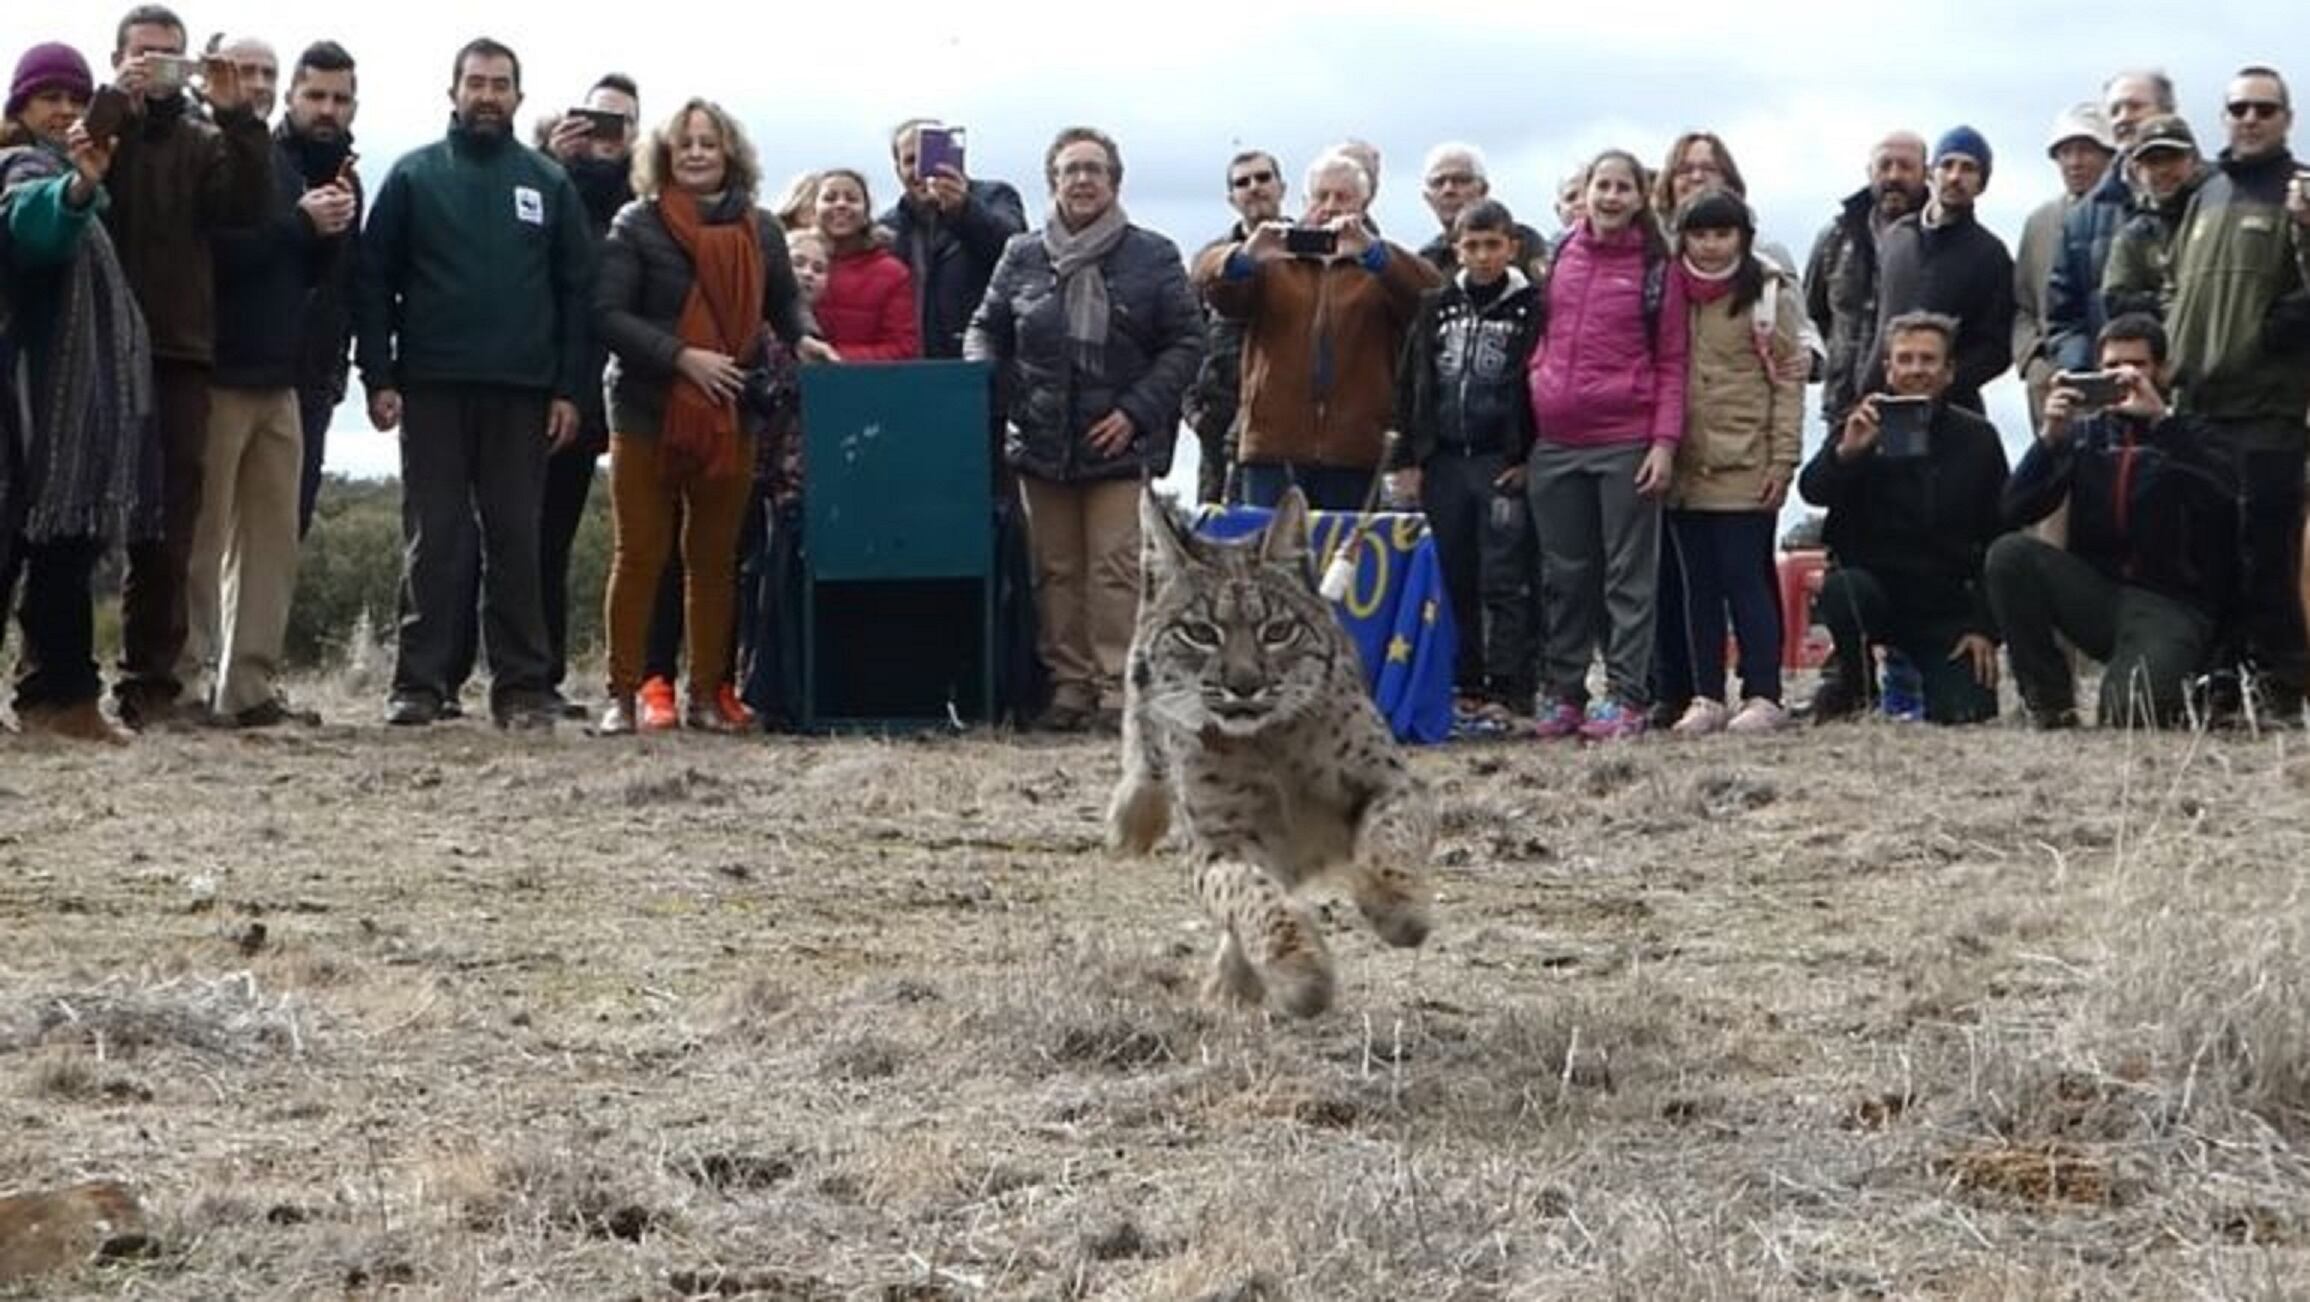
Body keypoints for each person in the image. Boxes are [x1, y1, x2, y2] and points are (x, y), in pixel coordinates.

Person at [353, 36, 594, 729]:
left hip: (524, 392)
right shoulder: (413, 176)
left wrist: (570, 390)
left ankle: (521, 688)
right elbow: (374, 282)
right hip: (431, 386)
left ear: (519, 96)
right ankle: (420, 685)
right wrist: (379, 374)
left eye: (500, 84)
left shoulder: (547, 182)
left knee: (517, 538)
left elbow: (578, 293)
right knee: (437, 538)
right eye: (476, 83)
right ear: (453, 91)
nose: (487, 95)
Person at [965, 126, 1202, 732]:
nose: (1082, 180)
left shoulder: (1154, 253)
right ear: (1053, 180)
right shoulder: (1022, 254)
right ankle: (1068, 687)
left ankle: (1116, 689)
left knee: (1115, 567)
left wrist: (1135, 411)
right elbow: (987, 326)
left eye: (1094, 169)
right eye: (1071, 169)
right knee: (1055, 570)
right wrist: (991, 380)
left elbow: (1185, 341)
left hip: (1118, 442)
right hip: (1040, 441)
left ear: (1114, 181)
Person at [594, 98, 815, 734]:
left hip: (731, 410)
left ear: (729, 155)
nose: (695, 153)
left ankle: (707, 695)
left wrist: (805, 337)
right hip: (645, 409)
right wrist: (683, 358)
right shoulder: (636, 222)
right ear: (665, 154)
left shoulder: (762, 227)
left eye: (708, 143)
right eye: (684, 143)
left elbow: (784, 301)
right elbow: (607, 316)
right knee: (639, 554)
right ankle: (624, 695)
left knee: (714, 560)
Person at [102, 3, 272, 729]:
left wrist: (238, 118)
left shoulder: (206, 141)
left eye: (173, 55)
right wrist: (118, 102)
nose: (160, 67)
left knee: (167, 531)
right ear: (119, 57)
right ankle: (53, 685)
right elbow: (84, 181)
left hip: (178, 351)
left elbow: (247, 207)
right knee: (54, 523)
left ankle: (150, 688)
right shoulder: (95, 123)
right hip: (91, 347)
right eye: (146, 54)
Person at [182, 34, 352, 727]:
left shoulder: (296, 167)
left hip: (282, 379)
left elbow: (301, 272)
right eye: (243, 72)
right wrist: (300, 226)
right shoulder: (203, 150)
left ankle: (248, 689)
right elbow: (215, 256)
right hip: (218, 371)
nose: (255, 82)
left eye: (265, 73)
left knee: (273, 546)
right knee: (201, 540)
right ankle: (188, 685)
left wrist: (323, 231)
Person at [0, 41, 156, 742]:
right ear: (20, 109)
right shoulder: (20, 171)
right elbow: (35, 225)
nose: (63, 109)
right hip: (25, 402)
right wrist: (76, 190)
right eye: (48, 98)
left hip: (70, 419)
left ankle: (60, 701)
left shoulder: (85, 180)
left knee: (63, 553)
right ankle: (57, 697)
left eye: (74, 97)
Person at [1988, 314, 2237, 728]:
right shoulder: (2085, 437)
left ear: (2161, 370)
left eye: (2136, 366)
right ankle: (2050, 704)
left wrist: (2162, 425)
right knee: (2010, 556)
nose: (2124, 376)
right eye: (2110, 367)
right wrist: (2050, 439)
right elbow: (2013, 510)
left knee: (2128, 715)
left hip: (2170, 604)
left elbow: (2225, 500)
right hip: (2099, 595)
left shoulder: (2195, 434)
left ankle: (2173, 679)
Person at [1523, 149, 1688, 742]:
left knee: (1627, 578)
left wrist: (1664, 443)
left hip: (1625, 441)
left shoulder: (1656, 270)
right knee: (1565, 576)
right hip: (1556, 442)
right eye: (1602, 185)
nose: (1611, 197)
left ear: (1642, 199)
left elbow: (1673, 362)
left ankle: (1626, 697)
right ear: (1585, 191)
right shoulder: (1561, 253)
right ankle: (1564, 693)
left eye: (1624, 188)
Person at [2162, 65, 2310, 712]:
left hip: (2268, 408)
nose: (2250, 119)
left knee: (2269, 554)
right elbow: (2175, 282)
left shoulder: (2299, 191)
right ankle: (2219, 681)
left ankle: (2280, 684)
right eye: (2238, 108)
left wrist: (2282, 325)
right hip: (2198, 407)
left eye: (2264, 109)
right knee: (2207, 552)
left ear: (2287, 119)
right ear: (2221, 117)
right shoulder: (2206, 192)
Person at [1193, 151, 1438, 509]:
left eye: (1343, 198)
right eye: (1321, 196)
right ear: (1305, 201)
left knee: (1345, 562)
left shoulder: (1381, 267)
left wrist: (1373, 254)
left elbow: (1430, 295)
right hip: (1274, 450)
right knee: (1271, 558)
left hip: (1355, 452)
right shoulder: (1274, 260)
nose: (1330, 207)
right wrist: (1245, 257)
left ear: (1364, 204)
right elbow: (1210, 284)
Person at [1797, 311, 2008, 725]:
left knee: (1967, 712)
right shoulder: (1862, 426)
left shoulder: (1978, 438)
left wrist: (1984, 628)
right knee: (1844, 591)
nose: (1916, 370)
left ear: (1949, 372)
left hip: (1944, 607)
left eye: (1928, 360)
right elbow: (1812, 490)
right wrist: (1847, 454)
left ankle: (1913, 675)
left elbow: (1999, 535)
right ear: (1888, 369)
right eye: (1906, 359)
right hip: (1873, 592)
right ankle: (1855, 686)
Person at [1657, 190, 1805, 735]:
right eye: (1700, 234)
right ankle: (1706, 693)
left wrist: (1782, 461)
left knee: (1747, 577)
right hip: (1686, 461)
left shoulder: (1768, 295)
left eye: (1724, 234)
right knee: (1698, 586)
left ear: (1743, 236)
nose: (1712, 246)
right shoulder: (1670, 290)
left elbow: (1789, 381)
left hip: (1747, 457)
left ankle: (1764, 692)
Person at [1391, 198, 1541, 731]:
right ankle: (1464, 683)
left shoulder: (1532, 307)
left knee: (1506, 577)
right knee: (1452, 574)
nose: (1481, 256)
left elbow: (1538, 386)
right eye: (1471, 246)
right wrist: (1407, 459)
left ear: (1512, 246)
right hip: (1446, 461)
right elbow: (1412, 384)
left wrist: (1527, 457)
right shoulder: (1435, 306)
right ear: (1455, 249)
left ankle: (1511, 686)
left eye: (1492, 245)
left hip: (1500, 461)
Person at [532, 71, 639, 715]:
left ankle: (637, 684)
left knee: (643, 542)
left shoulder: (648, 194)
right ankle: (535, 676)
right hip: (558, 384)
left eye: (620, 123)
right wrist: (553, 165)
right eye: (595, 119)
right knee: (544, 535)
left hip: (632, 384)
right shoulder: (543, 180)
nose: (605, 134)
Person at [1866, 126, 2015, 415]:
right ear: (1931, 173)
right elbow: (1875, 322)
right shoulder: (1896, 238)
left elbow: (1996, 348)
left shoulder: (1990, 254)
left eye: (1968, 168)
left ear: (1982, 183)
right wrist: (1864, 386)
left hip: (1952, 412)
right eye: (1947, 165)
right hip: (1881, 402)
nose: (1955, 176)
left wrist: (1941, 382)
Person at [277, 40, 359, 539]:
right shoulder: (261, 163)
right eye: (315, 95)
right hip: (248, 374)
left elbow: (351, 282)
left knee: (288, 534)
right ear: (291, 97)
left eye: (339, 98)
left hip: (315, 383)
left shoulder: (353, 180)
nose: (327, 109)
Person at [1804, 130, 1927, 428]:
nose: (1894, 175)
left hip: (1917, 409)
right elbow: (1810, 319)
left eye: (1906, 166)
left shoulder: (1943, 241)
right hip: (1844, 407)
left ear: (1926, 173)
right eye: (1885, 166)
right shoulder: (1834, 238)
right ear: (1869, 172)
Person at [1182, 148, 1283, 504]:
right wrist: (1193, 411)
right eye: (1243, 182)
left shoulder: (1308, 251)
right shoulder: (1210, 261)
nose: (1254, 187)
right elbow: (1184, 337)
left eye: (1263, 178)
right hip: (1219, 426)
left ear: (1281, 187)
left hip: (1285, 427)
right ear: (1231, 198)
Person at [879, 119, 1026, 360]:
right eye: (909, 161)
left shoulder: (996, 197)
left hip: (983, 361)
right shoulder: (887, 227)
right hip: (913, 365)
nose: (921, 170)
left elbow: (1015, 254)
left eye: (930, 158)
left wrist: (963, 211)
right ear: (897, 170)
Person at [2014, 103, 2116, 435]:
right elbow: (2023, 305)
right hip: (2051, 385)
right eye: (2065, 152)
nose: (2075, 162)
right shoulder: (2039, 222)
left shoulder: (2126, 215)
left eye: (2086, 150)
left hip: (2113, 378)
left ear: (2108, 154)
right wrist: (2033, 363)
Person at [2101, 114, 2208, 323]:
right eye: (2153, 161)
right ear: (2137, 170)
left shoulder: (2216, 216)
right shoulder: (2133, 236)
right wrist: (2164, 304)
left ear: (2194, 161)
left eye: (2173, 158)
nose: (2163, 170)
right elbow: (2116, 300)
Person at [811, 168, 917, 360]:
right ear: (814, 208)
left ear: (867, 211)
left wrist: (833, 358)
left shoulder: (893, 274)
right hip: (799, 384)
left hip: (867, 383)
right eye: (830, 198)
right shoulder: (793, 265)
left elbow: (903, 348)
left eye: (851, 199)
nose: (841, 204)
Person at [1415, 142, 1545, 280]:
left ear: (1483, 190)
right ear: (1427, 197)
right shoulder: (1427, 260)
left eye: (1461, 180)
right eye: (1438, 182)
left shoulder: (1525, 242)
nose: (1448, 190)